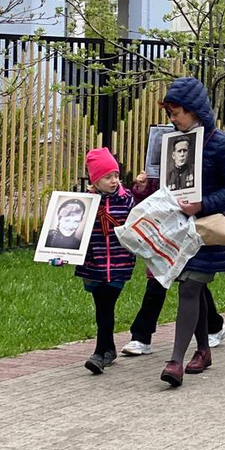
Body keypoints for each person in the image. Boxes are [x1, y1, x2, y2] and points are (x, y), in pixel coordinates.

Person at [157, 77, 225, 387]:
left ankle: (175, 361)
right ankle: (204, 350)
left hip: (207, 230)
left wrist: (203, 204)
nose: (172, 118)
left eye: (176, 112)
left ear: (194, 110)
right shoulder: (173, 143)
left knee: (190, 287)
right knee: (195, 288)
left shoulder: (222, 143)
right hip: (179, 229)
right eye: (169, 113)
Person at [119, 170, 225, 357]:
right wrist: (141, 188)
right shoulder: (162, 162)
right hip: (164, 231)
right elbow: (150, 200)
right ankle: (142, 336)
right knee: (161, 283)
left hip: (189, 228)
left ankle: (213, 328)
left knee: (193, 285)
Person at [71, 148, 135, 374]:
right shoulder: (86, 202)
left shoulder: (127, 200)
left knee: (107, 304)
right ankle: (109, 349)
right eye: (108, 177)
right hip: (94, 264)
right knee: (101, 306)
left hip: (118, 263)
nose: (114, 181)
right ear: (95, 180)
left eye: (116, 175)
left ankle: (100, 353)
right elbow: (70, 231)